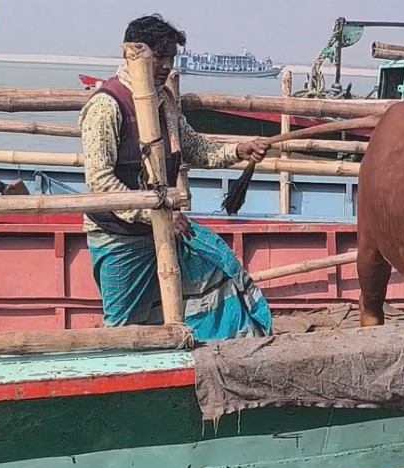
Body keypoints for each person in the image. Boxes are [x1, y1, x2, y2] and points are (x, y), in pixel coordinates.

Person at [79, 14, 272, 339]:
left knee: (220, 272)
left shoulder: (164, 101)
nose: (167, 65)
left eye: (171, 57)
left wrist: (240, 150)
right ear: (133, 54)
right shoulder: (106, 106)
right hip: (119, 237)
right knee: (125, 328)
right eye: (160, 56)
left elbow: (194, 147)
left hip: (161, 227)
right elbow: (101, 184)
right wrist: (158, 215)